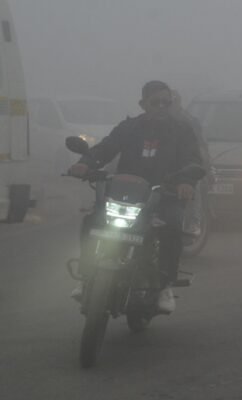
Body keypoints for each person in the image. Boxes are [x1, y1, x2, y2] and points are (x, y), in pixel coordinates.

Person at [69, 81, 204, 313]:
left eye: (166, 102)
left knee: (171, 227)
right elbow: (106, 148)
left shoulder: (182, 130)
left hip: (165, 194)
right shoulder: (129, 127)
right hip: (125, 193)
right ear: (143, 104)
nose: (161, 107)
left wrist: (186, 182)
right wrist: (85, 163)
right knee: (92, 221)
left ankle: (164, 287)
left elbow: (193, 159)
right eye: (155, 102)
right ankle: (86, 277)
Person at [170, 90, 210, 239]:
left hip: (185, 163)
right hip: (163, 164)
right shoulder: (156, 120)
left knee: (193, 186)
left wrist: (204, 166)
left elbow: (200, 146)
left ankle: (195, 222)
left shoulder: (189, 121)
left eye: (173, 103)